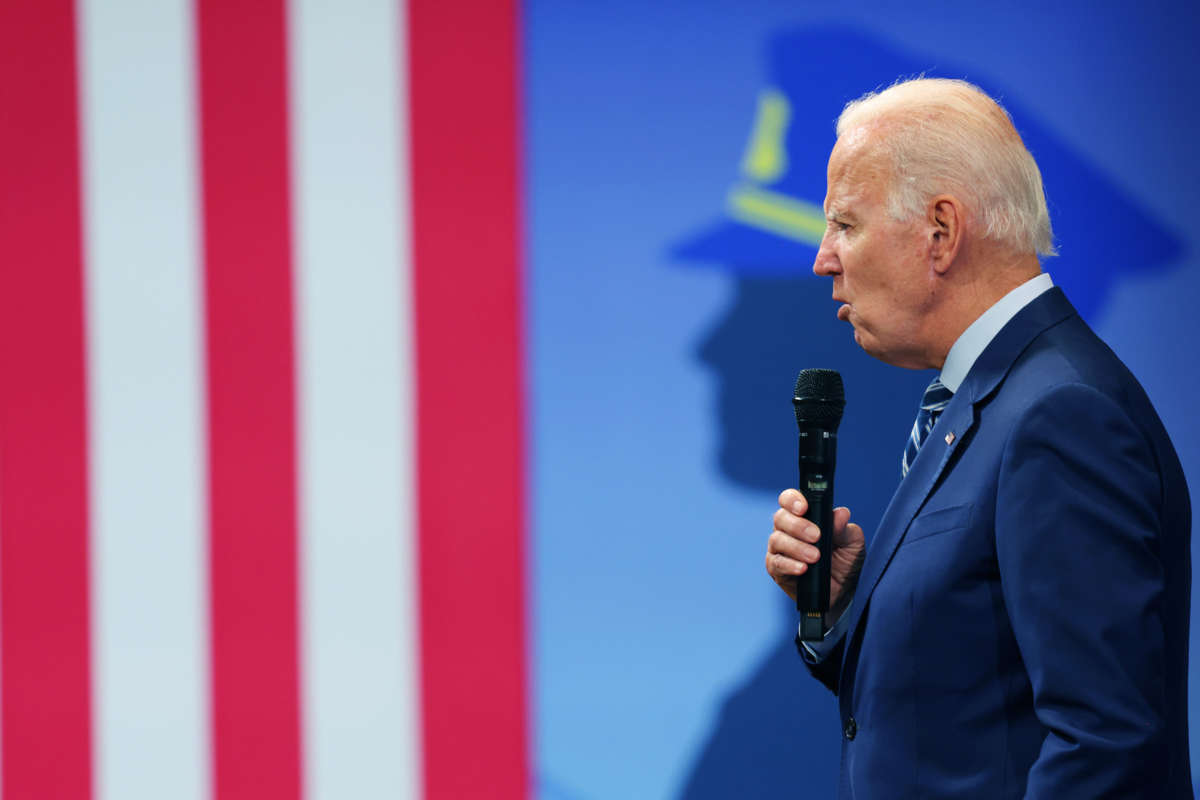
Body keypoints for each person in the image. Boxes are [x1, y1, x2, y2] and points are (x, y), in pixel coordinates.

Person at [764, 77, 1192, 798]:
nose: (823, 259)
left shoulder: (1062, 415)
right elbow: (972, 700)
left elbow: (1106, 746)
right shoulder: (994, 399)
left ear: (941, 231)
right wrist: (846, 609)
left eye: (845, 224)